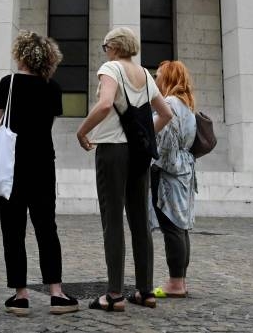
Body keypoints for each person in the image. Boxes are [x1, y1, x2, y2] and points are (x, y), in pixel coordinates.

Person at [75, 27, 173, 312]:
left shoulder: (110, 68)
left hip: (112, 150)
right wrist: (144, 137)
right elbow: (165, 113)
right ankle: (145, 291)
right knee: (140, 220)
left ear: (114, 47)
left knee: (113, 218)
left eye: (105, 45)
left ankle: (114, 294)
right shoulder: (144, 73)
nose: (104, 50)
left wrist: (82, 131)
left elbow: (105, 104)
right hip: (140, 153)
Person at [0, 31, 79, 316]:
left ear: (21, 54)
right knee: (46, 227)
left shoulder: (9, 83)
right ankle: (56, 293)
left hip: (11, 164)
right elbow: (47, 124)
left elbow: (0, 123)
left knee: (13, 230)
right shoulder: (52, 88)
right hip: (42, 162)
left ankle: (20, 296)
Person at [149, 60, 198, 299]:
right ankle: (180, 280)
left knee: (172, 228)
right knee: (181, 227)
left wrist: (152, 164)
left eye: (158, 75)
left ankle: (175, 283)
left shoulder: (169, 103)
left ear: (168, 78)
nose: (155, 78)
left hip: (169, 174)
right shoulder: (186, 105)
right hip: (185, 171)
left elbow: (164, 145)